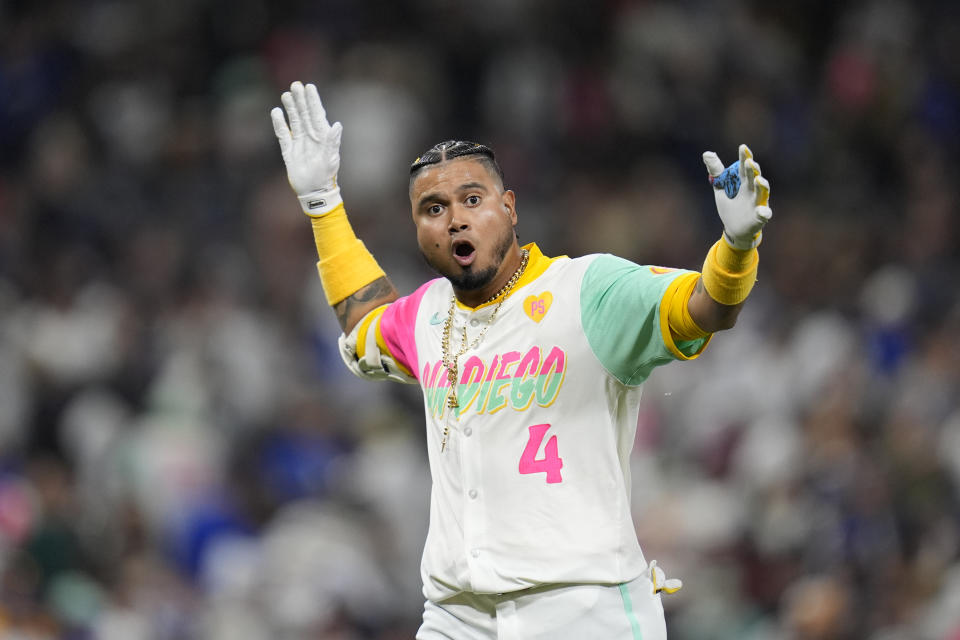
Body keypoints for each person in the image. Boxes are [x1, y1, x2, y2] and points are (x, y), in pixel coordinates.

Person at [270, 81, 772, 640]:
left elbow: (703, 310)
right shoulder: (427, 315)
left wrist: (737, 246)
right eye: (433, 209)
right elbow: (365, 321)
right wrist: (323, 206)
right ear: (418, 230)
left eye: (472, 199)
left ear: (509, 207)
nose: (455, 219)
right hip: (457, 614)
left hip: (584, 607)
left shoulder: (588, 289)